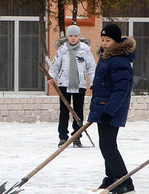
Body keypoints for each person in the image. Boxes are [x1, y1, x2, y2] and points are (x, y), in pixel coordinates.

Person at [88, 24, 136, 194]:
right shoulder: (106, 57)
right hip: (103, 108)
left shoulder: (120, 61)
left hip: (111, 109)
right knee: (106, 145)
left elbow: (121, 90)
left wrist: (109, 110)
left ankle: (125, 182)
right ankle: (110, 179)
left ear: (116, 41)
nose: (104, 43)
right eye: (102, 40)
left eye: (108, 40)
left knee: (108, 145)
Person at [48, 24, 96, 148]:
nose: (73, 38)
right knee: (64, 112)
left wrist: (93, 83)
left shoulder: (85, 50)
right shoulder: (62, 50)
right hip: (64, 85)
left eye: (75, 36)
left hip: (80, 85)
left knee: (78, 112)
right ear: (67, 37)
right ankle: (63, 137)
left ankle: (77, 137)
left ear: (79, 36)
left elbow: (91, 68)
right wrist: (51, 77)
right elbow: (55, 66)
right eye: (70, 36)